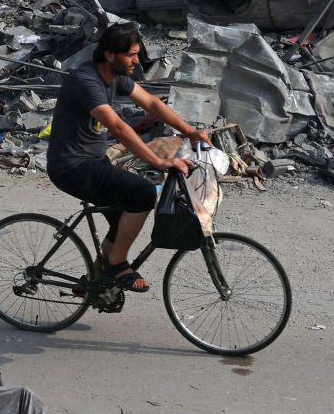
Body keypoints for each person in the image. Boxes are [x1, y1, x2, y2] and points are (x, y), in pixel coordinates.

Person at [46, 23, 212, 293]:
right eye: (131, 55)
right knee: (143, 193)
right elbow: (119, 128)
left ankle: (97, 280)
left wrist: (190, 131)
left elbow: (153, 104)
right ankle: (116, 264)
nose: (137, 60)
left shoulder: (115, 77)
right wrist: (158, 161)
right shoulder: (86, 81)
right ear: (110, 55)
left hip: (92, 161)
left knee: (124, 217)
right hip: (71, 166)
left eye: (137, 54)